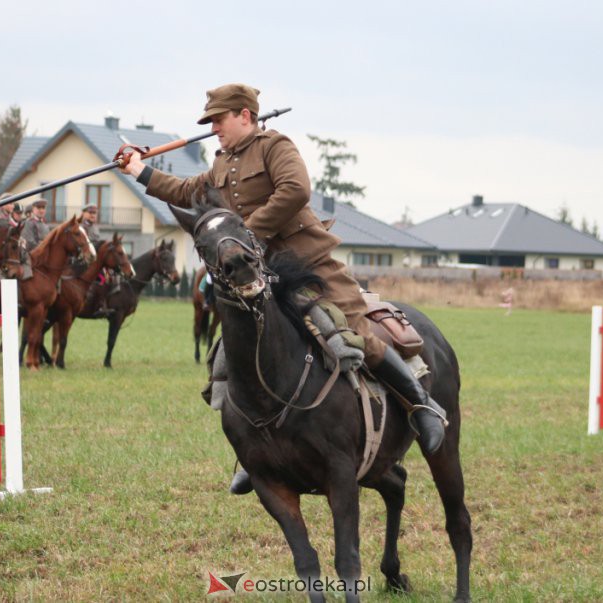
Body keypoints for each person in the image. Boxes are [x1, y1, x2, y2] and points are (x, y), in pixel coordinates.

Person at [119, 83, 445, 493]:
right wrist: (137, 170)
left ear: (245, 115)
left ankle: (421, 405)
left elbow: (296, 191)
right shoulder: (221, 163)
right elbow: (186, 191)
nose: (214, 128)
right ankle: (253, 451)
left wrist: (244, 235)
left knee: (354, 333)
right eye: (211, 122)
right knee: (231, 353)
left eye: (219, 120)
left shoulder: (275, 147)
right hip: (261, 275)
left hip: (309, 264)